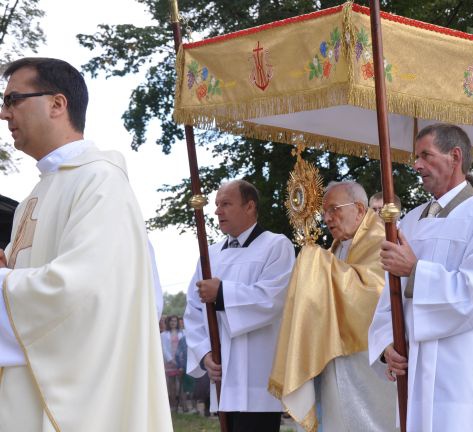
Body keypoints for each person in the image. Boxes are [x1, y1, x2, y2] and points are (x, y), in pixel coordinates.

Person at [0, 57, 171, 431]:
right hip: (26, 394)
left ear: (57, 104)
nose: (3, 113)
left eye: (13, 100)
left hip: (84, 403)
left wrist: (3, 285)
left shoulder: (100, 182)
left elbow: (87, 293)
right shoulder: (33, 196)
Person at [368, 123, 473, 431]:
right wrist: (387, 342)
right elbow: (390, 293)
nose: (416, 165)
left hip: (463, 372)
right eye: (416, 157)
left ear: (454, 156)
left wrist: (416, 272)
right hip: (415, 368)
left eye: (426, 155)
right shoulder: (411, 220)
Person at [269, 181, 397, 432]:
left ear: (359, 210)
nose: (327, 218)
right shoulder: (336, 249)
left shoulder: (381, 240)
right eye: (324, 212)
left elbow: (374, 294)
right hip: (335, 362)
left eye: (334, 209)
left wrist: (317, 263)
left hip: (368, 366)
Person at [184, 179, 295, 432]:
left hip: (259, 377)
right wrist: (204, 354)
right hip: (223, 375)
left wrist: (221, 292)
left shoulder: (276, 246)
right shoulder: (209, 254)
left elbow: (272, 298)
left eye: (225, 204)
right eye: (216, 205)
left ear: (249, 206)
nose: (217, 211)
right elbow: (193, 311)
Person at [161, 314, 185, 412]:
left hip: (181, 362)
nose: (173, 323)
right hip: (170, 362)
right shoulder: (163, 335)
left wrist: (181, 360)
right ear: (168, 322)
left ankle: (184, 407)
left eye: (175, 321)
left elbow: (185, 347)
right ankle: (173, 406)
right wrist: (171, 359)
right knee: (172, 385)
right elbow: (164, 348)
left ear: (177, 322)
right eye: (171, 321)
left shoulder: (183, 333)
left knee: (182, 384)